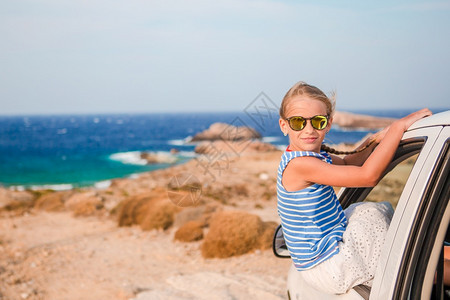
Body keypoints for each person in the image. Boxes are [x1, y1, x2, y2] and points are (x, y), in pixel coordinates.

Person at [276, 81, 432, 294]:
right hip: (327, 266)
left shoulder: (313, 156)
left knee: (382, 225)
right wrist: (397, 129)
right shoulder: (300, 165)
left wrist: (376, 138)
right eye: (298, 122)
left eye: (318, 122)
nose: (309, 129)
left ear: (328, 124)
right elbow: (368, 176)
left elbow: (350, 163)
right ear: (284, 126)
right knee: (376, 222)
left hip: (327, 254)